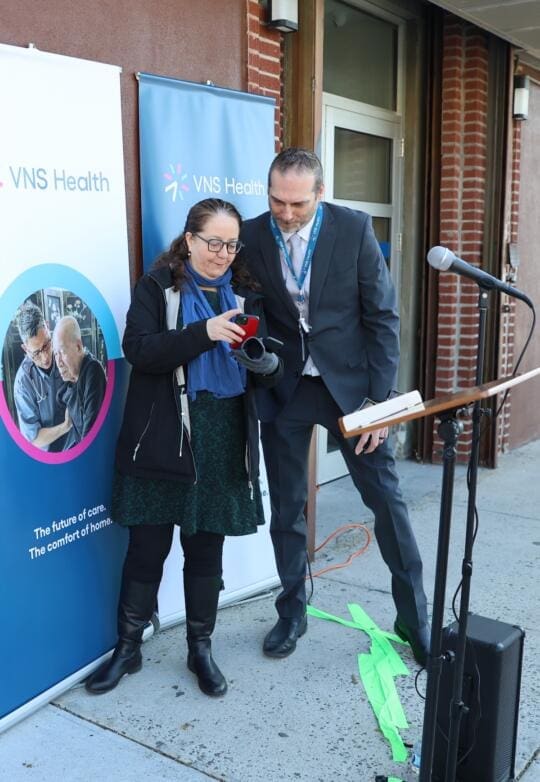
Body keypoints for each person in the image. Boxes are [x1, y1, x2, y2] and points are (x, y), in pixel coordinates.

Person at [85, 198, 282, 698]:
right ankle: (127, 649)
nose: (222, 253)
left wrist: (263, 364)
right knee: (147, 547)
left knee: (205, 549)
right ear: (190, 240)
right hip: (163, 433)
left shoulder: (247, 293)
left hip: (224, 435)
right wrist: (203, 332)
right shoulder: (158, 288)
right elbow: (140, 351)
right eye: (213, 242)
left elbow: (274, 362)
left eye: (231, 244)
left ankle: (201, 648)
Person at [240, 148, 430, 665]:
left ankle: (415, 617)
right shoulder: (254, 235)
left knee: (387, 503)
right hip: (286, 388)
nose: (285, 213)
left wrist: (380, 407)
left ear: (320, 194)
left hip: (353, 391)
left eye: (297, 203)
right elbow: (250, 305)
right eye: (277, 200)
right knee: (287, 506)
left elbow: (383, 317)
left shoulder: (353, 229)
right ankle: (292, 611)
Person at [13, 301, 72, 451]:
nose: (45, 358)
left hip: (75, 443)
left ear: (47, 326)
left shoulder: (64, 351)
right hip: (46, 457)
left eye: (46, 345)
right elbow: (34, 439)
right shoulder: (22, 383)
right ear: (25, 348)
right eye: (36, 353)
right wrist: (65, 426)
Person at [52, 315, 107, 448]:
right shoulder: (70, 377)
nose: (58, 362)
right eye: (55, 354)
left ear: (78, 346)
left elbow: (89, 439)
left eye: (62, 351)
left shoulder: (93, 371)